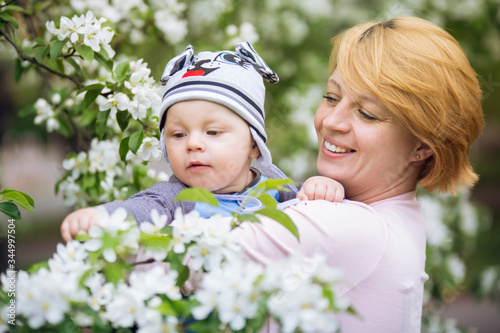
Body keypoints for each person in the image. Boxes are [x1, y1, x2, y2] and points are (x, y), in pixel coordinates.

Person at [226, 17, 484, 332]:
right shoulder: (399, 217)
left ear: (422, 146)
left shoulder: (348, 225)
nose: (332, 121)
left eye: (367, 113)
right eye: (331, 97)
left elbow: (178, 254)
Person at [60, 42, 345, 242]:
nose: (193, 144)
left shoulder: (274, 185)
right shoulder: (175, 198)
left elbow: (303, 200)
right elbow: (140, 210)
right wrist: (100, 217)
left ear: (255, 144)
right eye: (178, 134)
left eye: (212, 132)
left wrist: (320, 187)